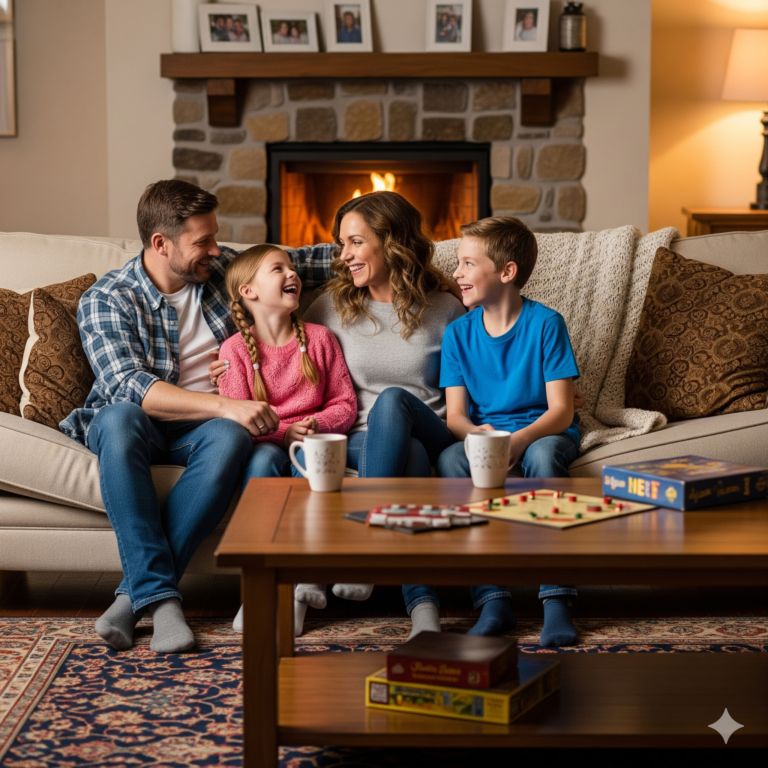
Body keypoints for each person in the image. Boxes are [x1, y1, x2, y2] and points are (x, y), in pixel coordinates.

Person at [60, 179, 336, 653]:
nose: (215, 248)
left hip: (205, 432)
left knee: (230, 437)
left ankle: (134, 597)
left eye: (214, 236)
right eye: (201, 241)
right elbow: (131, 387)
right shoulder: (107, 298)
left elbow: (306, 260)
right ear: (160, 244)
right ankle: (165, 604)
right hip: (137, 423)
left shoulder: (221, 268)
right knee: (118, 417)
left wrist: (392, 245)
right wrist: (230, 404)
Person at [435, 216, 581, 647]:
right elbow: (455, 417)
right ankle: (492, 600)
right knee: (449, 459)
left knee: (542, 458)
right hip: (485, 436)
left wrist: (518, 441)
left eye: (466, 263)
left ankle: (556, 599)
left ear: (507, 271)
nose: (456, 273)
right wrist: (484, 439)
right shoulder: (457, 334)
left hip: (542, 431)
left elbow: (562, 410)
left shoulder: (546, 324)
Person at [217, 244, 357, 636]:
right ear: (249, 291)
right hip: (265, 445)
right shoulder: (234, 351)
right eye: (278, 269)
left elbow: (345, 402)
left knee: (310, 462)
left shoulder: (319, 338)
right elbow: (238, 415)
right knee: (262, 464)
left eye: (293, 267)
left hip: (313, 442)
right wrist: (283, 433)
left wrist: (312, 425)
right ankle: (256, 588)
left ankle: (301, 585)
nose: (292, 274)